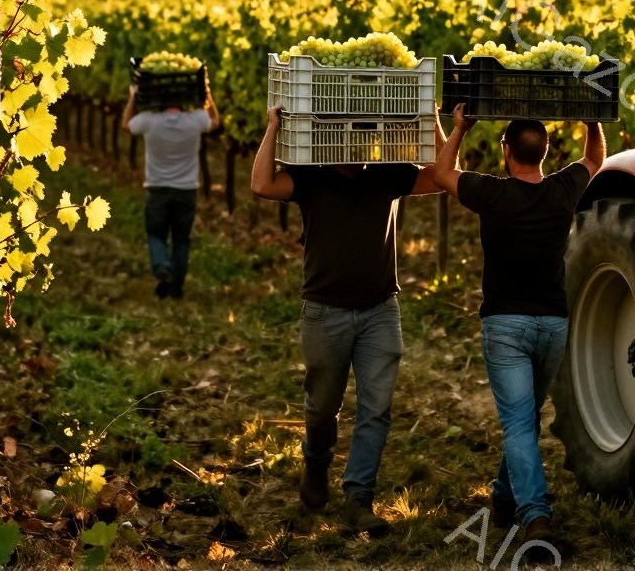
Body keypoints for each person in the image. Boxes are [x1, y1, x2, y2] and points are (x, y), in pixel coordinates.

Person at [249, 106, 443, 537]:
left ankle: (359, 499)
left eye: (362, 136)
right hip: (325, 311)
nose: (354, 148)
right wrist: (273, 127)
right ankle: (316, 464)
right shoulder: (310, 174)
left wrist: (432, 121)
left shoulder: (387, 173)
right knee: (322, 408)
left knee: (376, 410)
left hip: (380, 310)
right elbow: (261, 183)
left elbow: (446, 175)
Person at [427, 104, 604, 554]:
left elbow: (442, 172)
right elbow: (595, 159)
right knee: (525, 419)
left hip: (505, 325)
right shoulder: (564, 189)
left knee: (518, 424)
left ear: (506, 151)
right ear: (546, 152)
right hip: (553, 325)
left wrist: (461, 128)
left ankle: (535, 516)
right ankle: (504, 498)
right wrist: (592, 120)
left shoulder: (492, 192)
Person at [123, 74, 219, 300]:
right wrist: (208, 94)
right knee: (181, 240)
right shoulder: (196, 119)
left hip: (157, 188)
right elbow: (215, 121)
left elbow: (126, 125)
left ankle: (161, 266)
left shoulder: (148, 120)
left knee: (156, 234)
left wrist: (133, 98)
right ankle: (176, 288)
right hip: (187, 190)